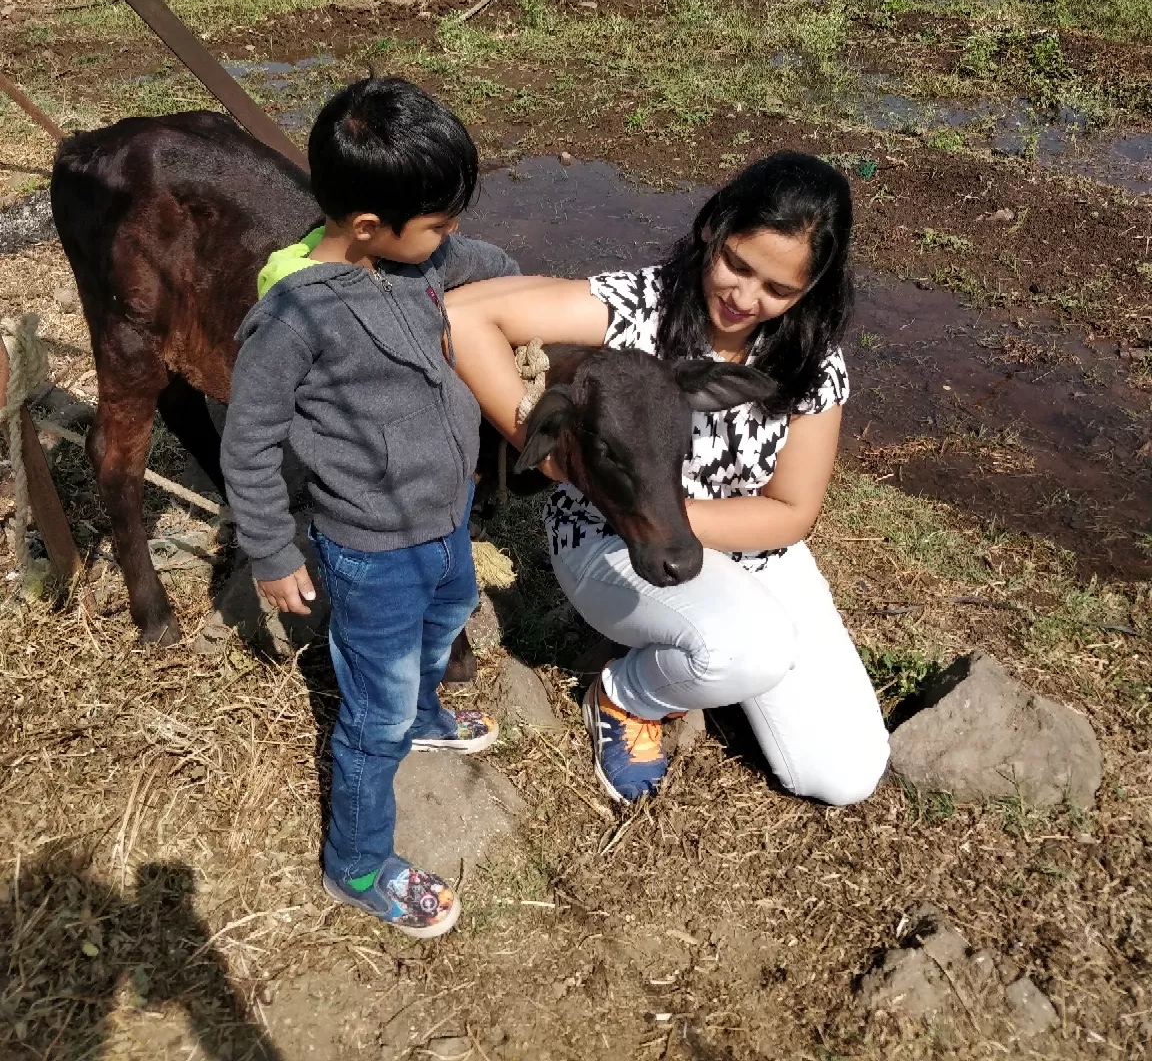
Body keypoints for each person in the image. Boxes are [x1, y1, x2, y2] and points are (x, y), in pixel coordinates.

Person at [445, 152, 890, 809]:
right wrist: (542, 449)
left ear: (813, 286)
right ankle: (626, 696)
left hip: (748, 549)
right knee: (754, 647)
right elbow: (461, 318)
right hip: (611, 540)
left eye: (778, 289)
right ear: (713, 227)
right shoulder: (639, 308)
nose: (744, 298)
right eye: (737, 265)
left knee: (844, 773)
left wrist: (677, 521)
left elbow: (792, 512)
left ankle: (716, 659)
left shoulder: (811, 362)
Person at [220, 77, 519, 938]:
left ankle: (426, 715)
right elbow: (248, 441)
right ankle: (355, 863)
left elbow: (494, 268)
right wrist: (273, 553)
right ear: (364, 228)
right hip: (369, 550)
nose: (451, 237)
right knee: (370, 715)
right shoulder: (293, 319)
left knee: (451, 610)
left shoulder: (422, 259)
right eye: (437, 222)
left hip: (445, 522)